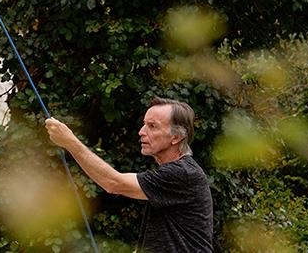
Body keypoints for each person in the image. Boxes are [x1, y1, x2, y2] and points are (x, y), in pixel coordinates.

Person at [44, 97, 213, 252]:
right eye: (144, 124)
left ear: (176, 137)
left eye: (152, 126)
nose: (141, 131)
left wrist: (70, 142)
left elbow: (113, 183)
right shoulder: (175, 174)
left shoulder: (182, 173)